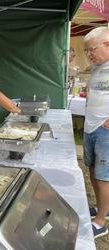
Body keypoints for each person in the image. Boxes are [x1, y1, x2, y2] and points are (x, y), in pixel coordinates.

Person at [83, 26, 109, 239]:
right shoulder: (97, 67)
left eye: (92, 49)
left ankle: (101, 222)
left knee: (103, 178)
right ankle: (102, 207)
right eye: (87, 51)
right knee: (92, 171)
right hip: (91, 127)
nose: (89, 54)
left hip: (105, 132)